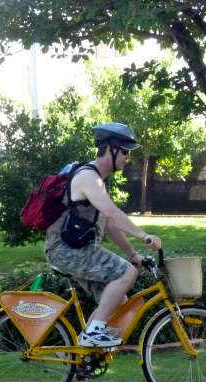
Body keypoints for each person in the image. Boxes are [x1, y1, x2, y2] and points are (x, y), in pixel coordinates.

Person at [44, 122, 162, 348]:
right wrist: (144, 235)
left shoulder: (97, 180)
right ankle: (93, 333)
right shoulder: (88, 177)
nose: (128, 157)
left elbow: (109, 223)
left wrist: (132, 253)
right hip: (65, 249)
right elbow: (111, 212)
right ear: (111, 148)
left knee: (118, 303)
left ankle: (76, 359)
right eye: (125, 151)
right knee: (126, 273)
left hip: (77, 250)